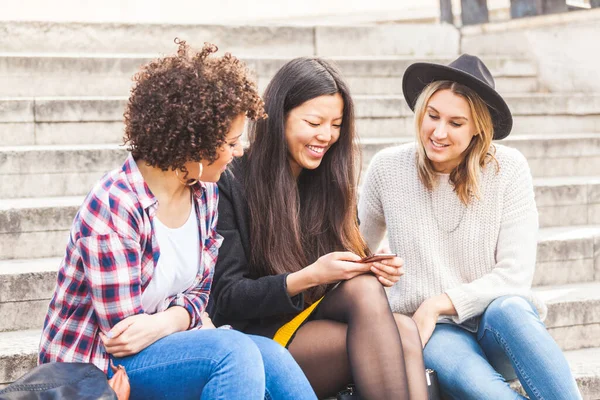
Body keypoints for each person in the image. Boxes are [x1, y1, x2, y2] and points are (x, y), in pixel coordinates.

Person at [39, 40, 316, 400]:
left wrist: (174, 318)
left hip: (166, 339)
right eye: (231, 143)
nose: (241, 151)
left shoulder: (204, 192)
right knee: (233, 353)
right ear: (194, 146)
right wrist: (186, 318)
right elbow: (125, 335)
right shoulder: (115, 205)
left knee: (273, 357)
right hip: (97, 368)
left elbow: (201, 289)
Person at [358, 54, 582, 399]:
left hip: (497, 324)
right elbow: (356, 247)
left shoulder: (508, 169)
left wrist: (437, 302)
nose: (438, 132)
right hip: (436, 333)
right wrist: (373, 266)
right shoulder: (388, 169)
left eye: (456, 123)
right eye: (432, 116)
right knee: (487, 391)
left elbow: (514, 276)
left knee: (512, 307)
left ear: (478, 126)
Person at [209, 57, 428, 400]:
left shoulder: (327, 181)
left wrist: (368, 263)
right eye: (314, 122)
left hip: (313, 322)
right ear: (278, 116)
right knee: (394, 331)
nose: (326, 136)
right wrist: (309, 276)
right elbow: (225, 299)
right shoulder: (231, 180)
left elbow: (340, 282)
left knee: (391, 316)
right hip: (257, 338)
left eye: (336, 124)